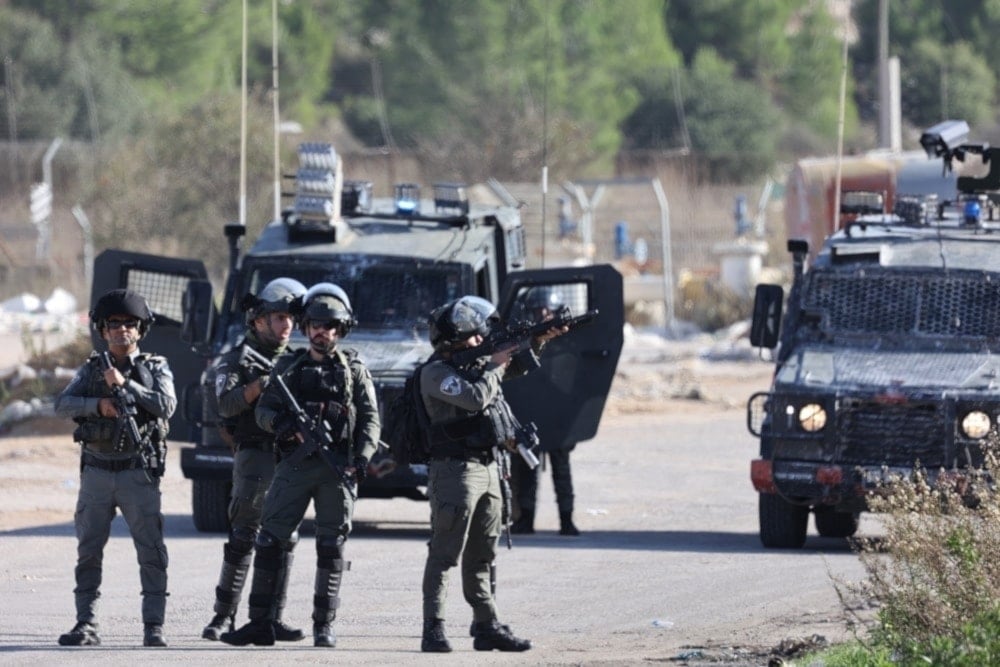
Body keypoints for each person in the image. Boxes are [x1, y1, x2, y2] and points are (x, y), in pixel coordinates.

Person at [221, 282, 380, 648]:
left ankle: (324, 625)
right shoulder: (290, 367)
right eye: (315, 325)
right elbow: (263, 410)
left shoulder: (354, 369)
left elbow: (371, 419)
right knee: (270, 539)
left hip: (336, 469)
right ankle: (260, 622)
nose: (321, 332)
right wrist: (282, 425)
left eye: (329, 326)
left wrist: (361, 459)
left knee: (331, 545)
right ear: (306, 327)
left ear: (340, 330)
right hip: (294, 466)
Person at [418, 295, 566, 653]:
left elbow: (511, 370)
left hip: (488, 467)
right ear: (452, 340)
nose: (478, 343)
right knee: (444, 552)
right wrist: (496, 364)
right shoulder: (435, 373)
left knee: (483, 552)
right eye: (471, 338)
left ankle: (486, 625)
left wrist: (539, 341)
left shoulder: (477, 365)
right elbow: (473, 398)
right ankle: (433, 628)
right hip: (454, 471)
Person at [54, 288, 176, 647]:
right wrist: (99, 406)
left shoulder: (155, 367)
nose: (122, 330)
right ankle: (85, 623)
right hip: (97, 471)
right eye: (114, 324)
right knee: (88, 550)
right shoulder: (92, 368)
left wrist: (127, 387)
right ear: (103, 330)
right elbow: (62, 404)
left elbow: (166, 405)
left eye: (129, 324)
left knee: (151, 551)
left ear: (140, 330)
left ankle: (153, 627)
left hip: (137, 471)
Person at [201, 277, 307, 642]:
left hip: (292, 458)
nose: (287, 325)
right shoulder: (237, 360)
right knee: (244, 535)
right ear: (258, 320)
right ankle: (223, 617)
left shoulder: (299, 362)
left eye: (291, 318)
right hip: (255, 456)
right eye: (278, 318)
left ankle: (271, 616)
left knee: (285, 538)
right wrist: (260, 384)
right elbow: (225, 404)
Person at [509, 287, 580, 536]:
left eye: (547, 311)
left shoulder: (568, 340)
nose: (543, 315)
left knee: (562, 471)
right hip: (529, 412)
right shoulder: (522, 340)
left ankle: (567, 519)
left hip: (558, 415)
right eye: (538, 311)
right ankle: (524, 519)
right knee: (526, 470)